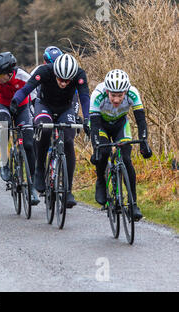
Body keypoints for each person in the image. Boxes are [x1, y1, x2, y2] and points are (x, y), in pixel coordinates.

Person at [12, 53, 90, 208]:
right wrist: (15, 101)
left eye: (67, 81)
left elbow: (85, 97)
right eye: (60, 79)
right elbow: (27, 89)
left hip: (65, 108)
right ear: (55, 73)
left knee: (68, 140)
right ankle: (40, 169)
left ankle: (68, 190)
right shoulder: (45, 71)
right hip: (45, 106)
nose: (63, 83)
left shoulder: (80, 75)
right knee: (44, 130)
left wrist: (87, 119)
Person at [90, 69, 152, 221]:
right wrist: (96, 148)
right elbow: (95, 125)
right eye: (113, 95)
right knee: (103, 153)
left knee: (126, 159)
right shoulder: (98, 94)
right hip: (101, 126)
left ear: (126, 91)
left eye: (120, 95)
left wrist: (144, 142)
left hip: (120, 125)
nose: (116, 100)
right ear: (107, 91)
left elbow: (141, 120)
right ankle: (101, 181)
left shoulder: (133, 93)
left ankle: (133, 204)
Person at [0, 52, 39, 205]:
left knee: (29, 144)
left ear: (10, 73)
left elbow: (35, 100)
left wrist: (35, 119)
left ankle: (32, 184)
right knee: (4, 129)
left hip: (22, 107)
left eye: (0, 74)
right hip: (2, 106)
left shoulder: (23, 77)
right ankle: (4, 163)